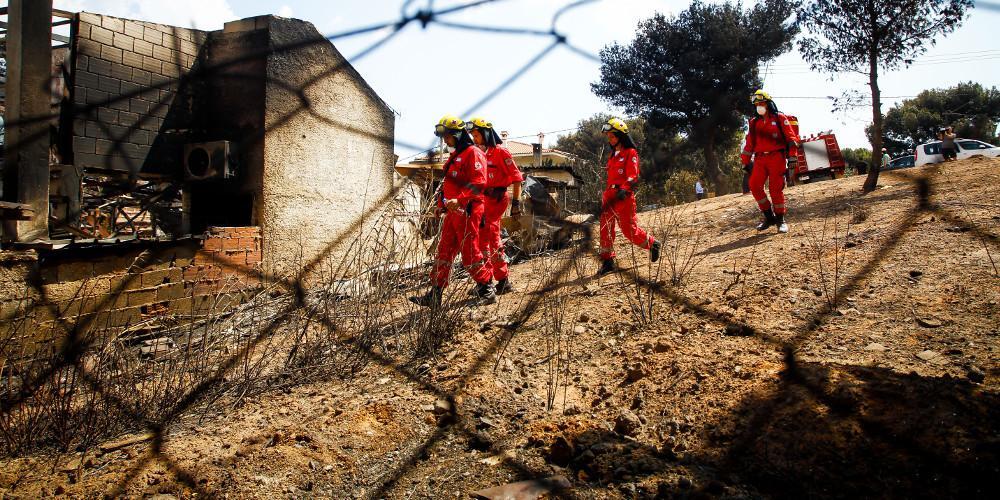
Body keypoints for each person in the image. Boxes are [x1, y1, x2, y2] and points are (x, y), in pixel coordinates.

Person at [410, 115, 496, 307]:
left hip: (468, 210)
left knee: (470, 253)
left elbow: (479, 183)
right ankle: (435, 294)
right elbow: (448, 186)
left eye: (448, 137)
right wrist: (441, 205)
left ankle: (486, 288)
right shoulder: (455, 156)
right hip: (453, 212)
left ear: (457, 135)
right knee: (444, 252)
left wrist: (461, 199)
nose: (445, 141)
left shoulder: (473, 153)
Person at [597, 117, 661, 275]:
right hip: (609, 196)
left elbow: (633, 176)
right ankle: (608, 261)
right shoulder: (612, 156)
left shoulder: (630, 153)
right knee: (605, 229)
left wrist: (624, 189)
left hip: (623, 197)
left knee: (628, 231)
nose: (610, 140)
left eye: (612, 136)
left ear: (621, 136)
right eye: (609, 137)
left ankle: (652, 243)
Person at [466, 116, 523, 294]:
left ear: (486, 134)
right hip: (481, 200)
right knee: (482, 238)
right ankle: (491, 280)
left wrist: (516, 203)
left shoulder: (501, 153)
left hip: (497, 199)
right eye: (473, 136)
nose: (475, 139)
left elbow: (517, 178)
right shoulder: (476, 153)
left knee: (490, 237)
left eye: (477, 135)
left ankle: (498, 280)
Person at [741, 90, 800, 234]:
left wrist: (792, 157)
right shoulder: (754, 123)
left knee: (775, 189)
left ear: (768, 103)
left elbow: (791, 139)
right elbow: (749, 145)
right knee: (754, 186)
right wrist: (745, 162)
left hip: (777, 158)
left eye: (761, 103)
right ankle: (769, 217)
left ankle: (781, 220)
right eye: (756, 104)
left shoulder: (780, 118)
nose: (758, 106)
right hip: (760, 159)